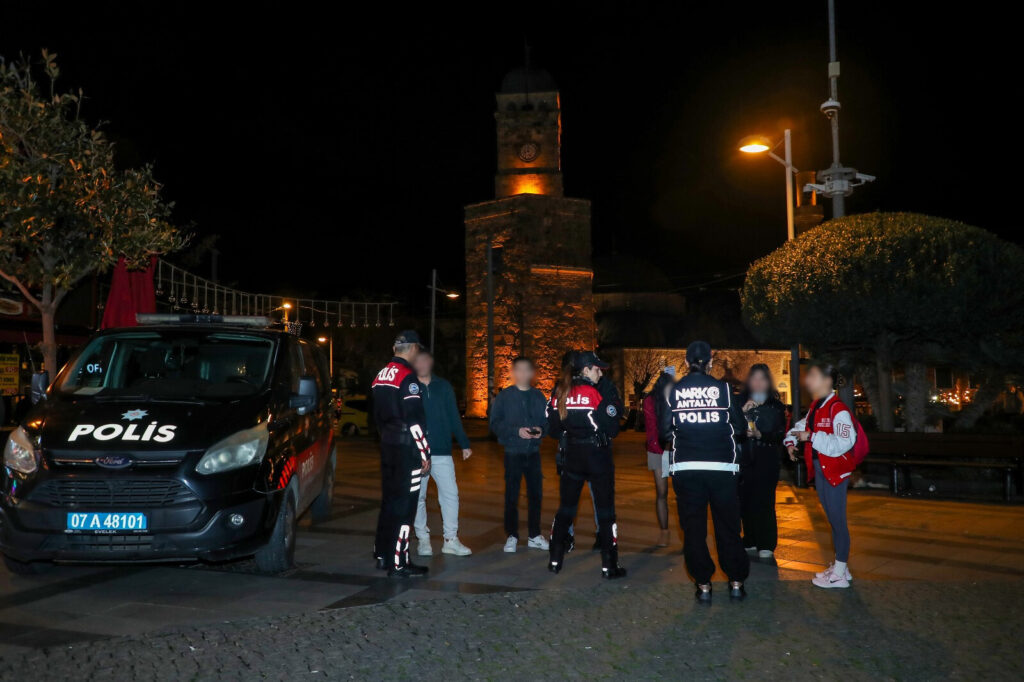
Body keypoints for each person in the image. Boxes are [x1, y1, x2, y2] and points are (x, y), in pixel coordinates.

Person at [659, 340, 749, 601]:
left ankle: (703, 584)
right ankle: (736, 580)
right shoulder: (724, 389)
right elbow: (740, 428)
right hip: (722, 467)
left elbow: (664, 432)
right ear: (710, 362)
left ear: (687, 363)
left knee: (694, 530)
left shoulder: (673, 391)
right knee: (728, 527)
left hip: (687, 467)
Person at [548, 350, 626, 579]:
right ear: (585, 370)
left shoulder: (560, 392)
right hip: (597, 456)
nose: (600, 373)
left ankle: (555, 559)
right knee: (605, 511)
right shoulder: (594, 393)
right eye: (596, 369)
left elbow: (553, 428)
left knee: (566, 509)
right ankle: (609, 565)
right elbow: (612, 428)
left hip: (572, 456)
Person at [784, 360, 857, 589]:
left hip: (835, 471)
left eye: (814, 376)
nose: (808, 380)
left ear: (827, 381)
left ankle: (839, 574)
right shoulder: (817, 406)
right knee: (832, 520)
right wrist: (791, 441)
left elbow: (845, 441)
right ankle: (841, 568)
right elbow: (802, 426)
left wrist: (812, 437)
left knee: (837, 521)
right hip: (821, 469)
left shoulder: (838, 409)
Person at [371, 330, 432, 578]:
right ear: (414, 348)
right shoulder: (408, 377)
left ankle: (383, 555)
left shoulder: (381, 375)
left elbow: (375, 416)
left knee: (389, 502)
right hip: (407, 450)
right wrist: (424, 452)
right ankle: (399, 562)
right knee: (405, 506)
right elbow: (414, 420)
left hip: (388, 446)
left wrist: (386, 438)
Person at [411, 350, 473, 557]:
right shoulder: (410, 387)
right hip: (417, 452)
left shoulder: (443, 386)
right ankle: (423, 538)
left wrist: (464, 443)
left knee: (450, 495)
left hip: (442, 450)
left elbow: (453, 415)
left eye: (425, 360)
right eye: (418, 360)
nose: (422, 364)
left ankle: (451, 539)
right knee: (418, 497)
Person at [490, 356, 549, 553]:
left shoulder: (538, 396)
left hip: (533, 453)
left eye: (526, 370)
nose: (523, 374)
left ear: (532, 373)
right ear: (513, 372)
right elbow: (495, 423)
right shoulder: (504, 397)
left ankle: (534, 535)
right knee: (512, 495)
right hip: (512, 452)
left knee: (536, 495)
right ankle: (512, 535)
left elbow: (547, 421)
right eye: (519, 370)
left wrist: (541, 430)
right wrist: (516, 431)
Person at [738, 363, 788, 559]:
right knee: (745, 500)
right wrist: (742, 413)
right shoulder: (740, 402)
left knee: (764, 501)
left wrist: (761, 434)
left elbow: (779, 434)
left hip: (766, 459)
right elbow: (731, 429)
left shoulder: (776, 406)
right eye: (754, 378)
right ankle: (750, 538)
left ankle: (766, 542)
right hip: (744, 459)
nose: (758, 382)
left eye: (762, 378)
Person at [644, 371, 676, 547]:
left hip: (661, 450)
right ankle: (666, 532)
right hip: (664, 450)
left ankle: (668, 533)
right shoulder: (655, 401)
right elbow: (653, 428)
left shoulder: (651, 400)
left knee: (664, 494)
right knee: (666, 494)